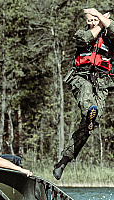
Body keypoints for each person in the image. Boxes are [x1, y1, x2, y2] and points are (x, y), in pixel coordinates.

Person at [53, 8, 114, 180]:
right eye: (90, 20)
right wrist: (101, 23)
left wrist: (101, 18)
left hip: (101, 83)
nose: (93, 22)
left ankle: (63, 162)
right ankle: (90, 110)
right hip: (81, 78)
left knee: (89, 125)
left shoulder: (110, 38)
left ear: (101, 19)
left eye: (96, 20)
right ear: (87, 21)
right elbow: (86, 38)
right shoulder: (81, 34)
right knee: (88, 103)